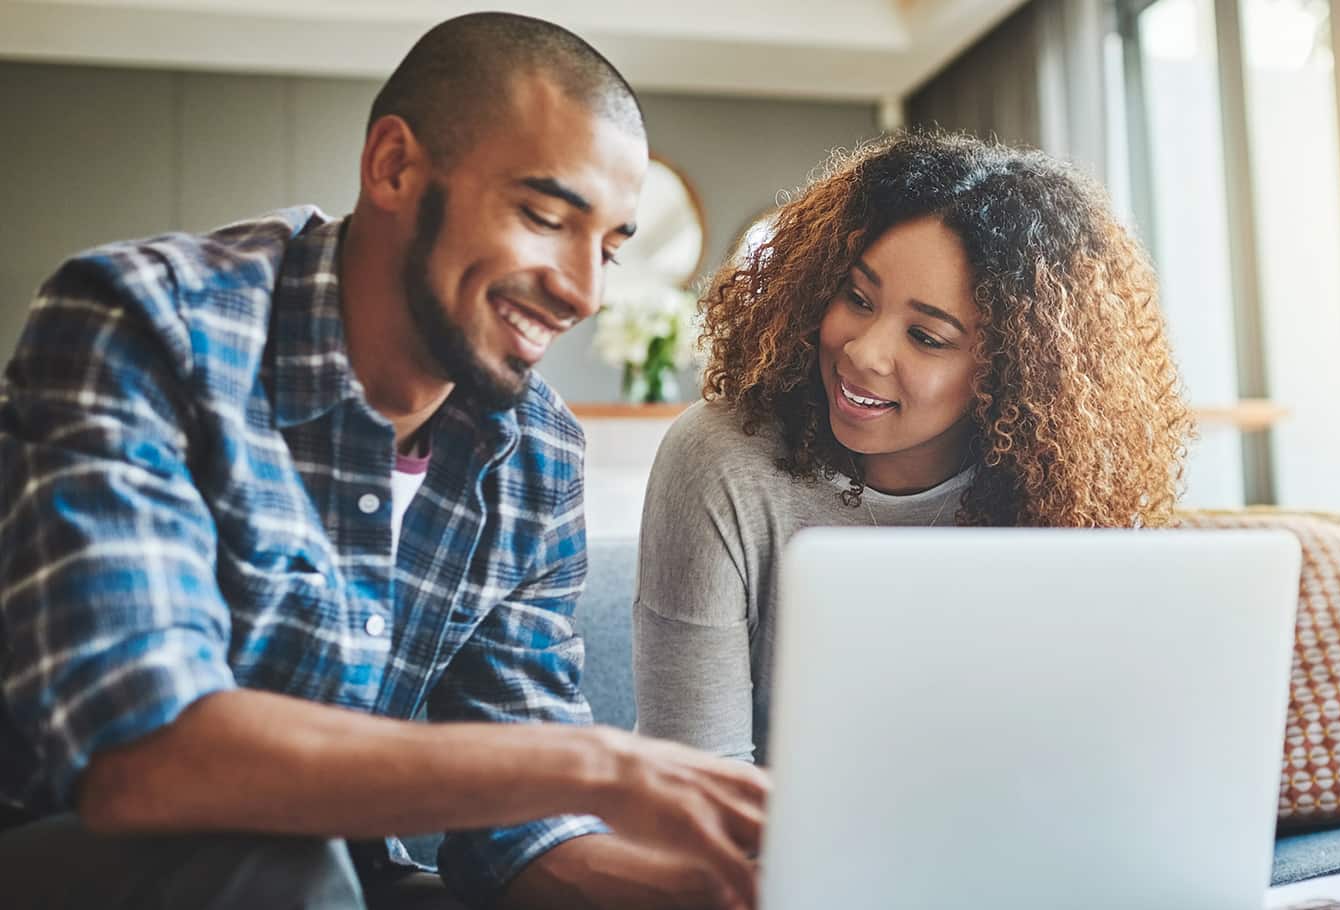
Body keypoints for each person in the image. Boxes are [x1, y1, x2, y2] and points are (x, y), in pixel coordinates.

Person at [0, 13, 766, 910]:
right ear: (394, 166)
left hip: (341, 873)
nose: (583, 292)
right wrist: (598, 764)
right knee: (282, 868)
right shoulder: (147, 327)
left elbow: (520, 837)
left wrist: (716, 887)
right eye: (545, 217)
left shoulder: (537, 453)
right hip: (70, 850)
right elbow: (141, 756)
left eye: (606, 248)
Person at [634, 130, 1194, 764]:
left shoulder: (1067, 490)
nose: (864, 352)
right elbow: (693, 780)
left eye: (927, 338)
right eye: (857, 298)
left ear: (1010, 369)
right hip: (761, 847)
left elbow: (1097, 750)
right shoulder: (722, 459)